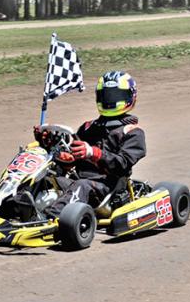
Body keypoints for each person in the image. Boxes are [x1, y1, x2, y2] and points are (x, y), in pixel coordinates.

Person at [34, 71, 147, 217]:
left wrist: (94, 153)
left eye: (116, 95)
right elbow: (71, 161)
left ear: (130, 97)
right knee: (43, 180)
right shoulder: (88, 127)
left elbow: (123, 164)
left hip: (107, 188)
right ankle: (13, 208)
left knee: (82, 185)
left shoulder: (132, 132)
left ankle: (50, 218)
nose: (110, 100)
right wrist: (49, 145)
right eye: (106, 95)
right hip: (78, 181)